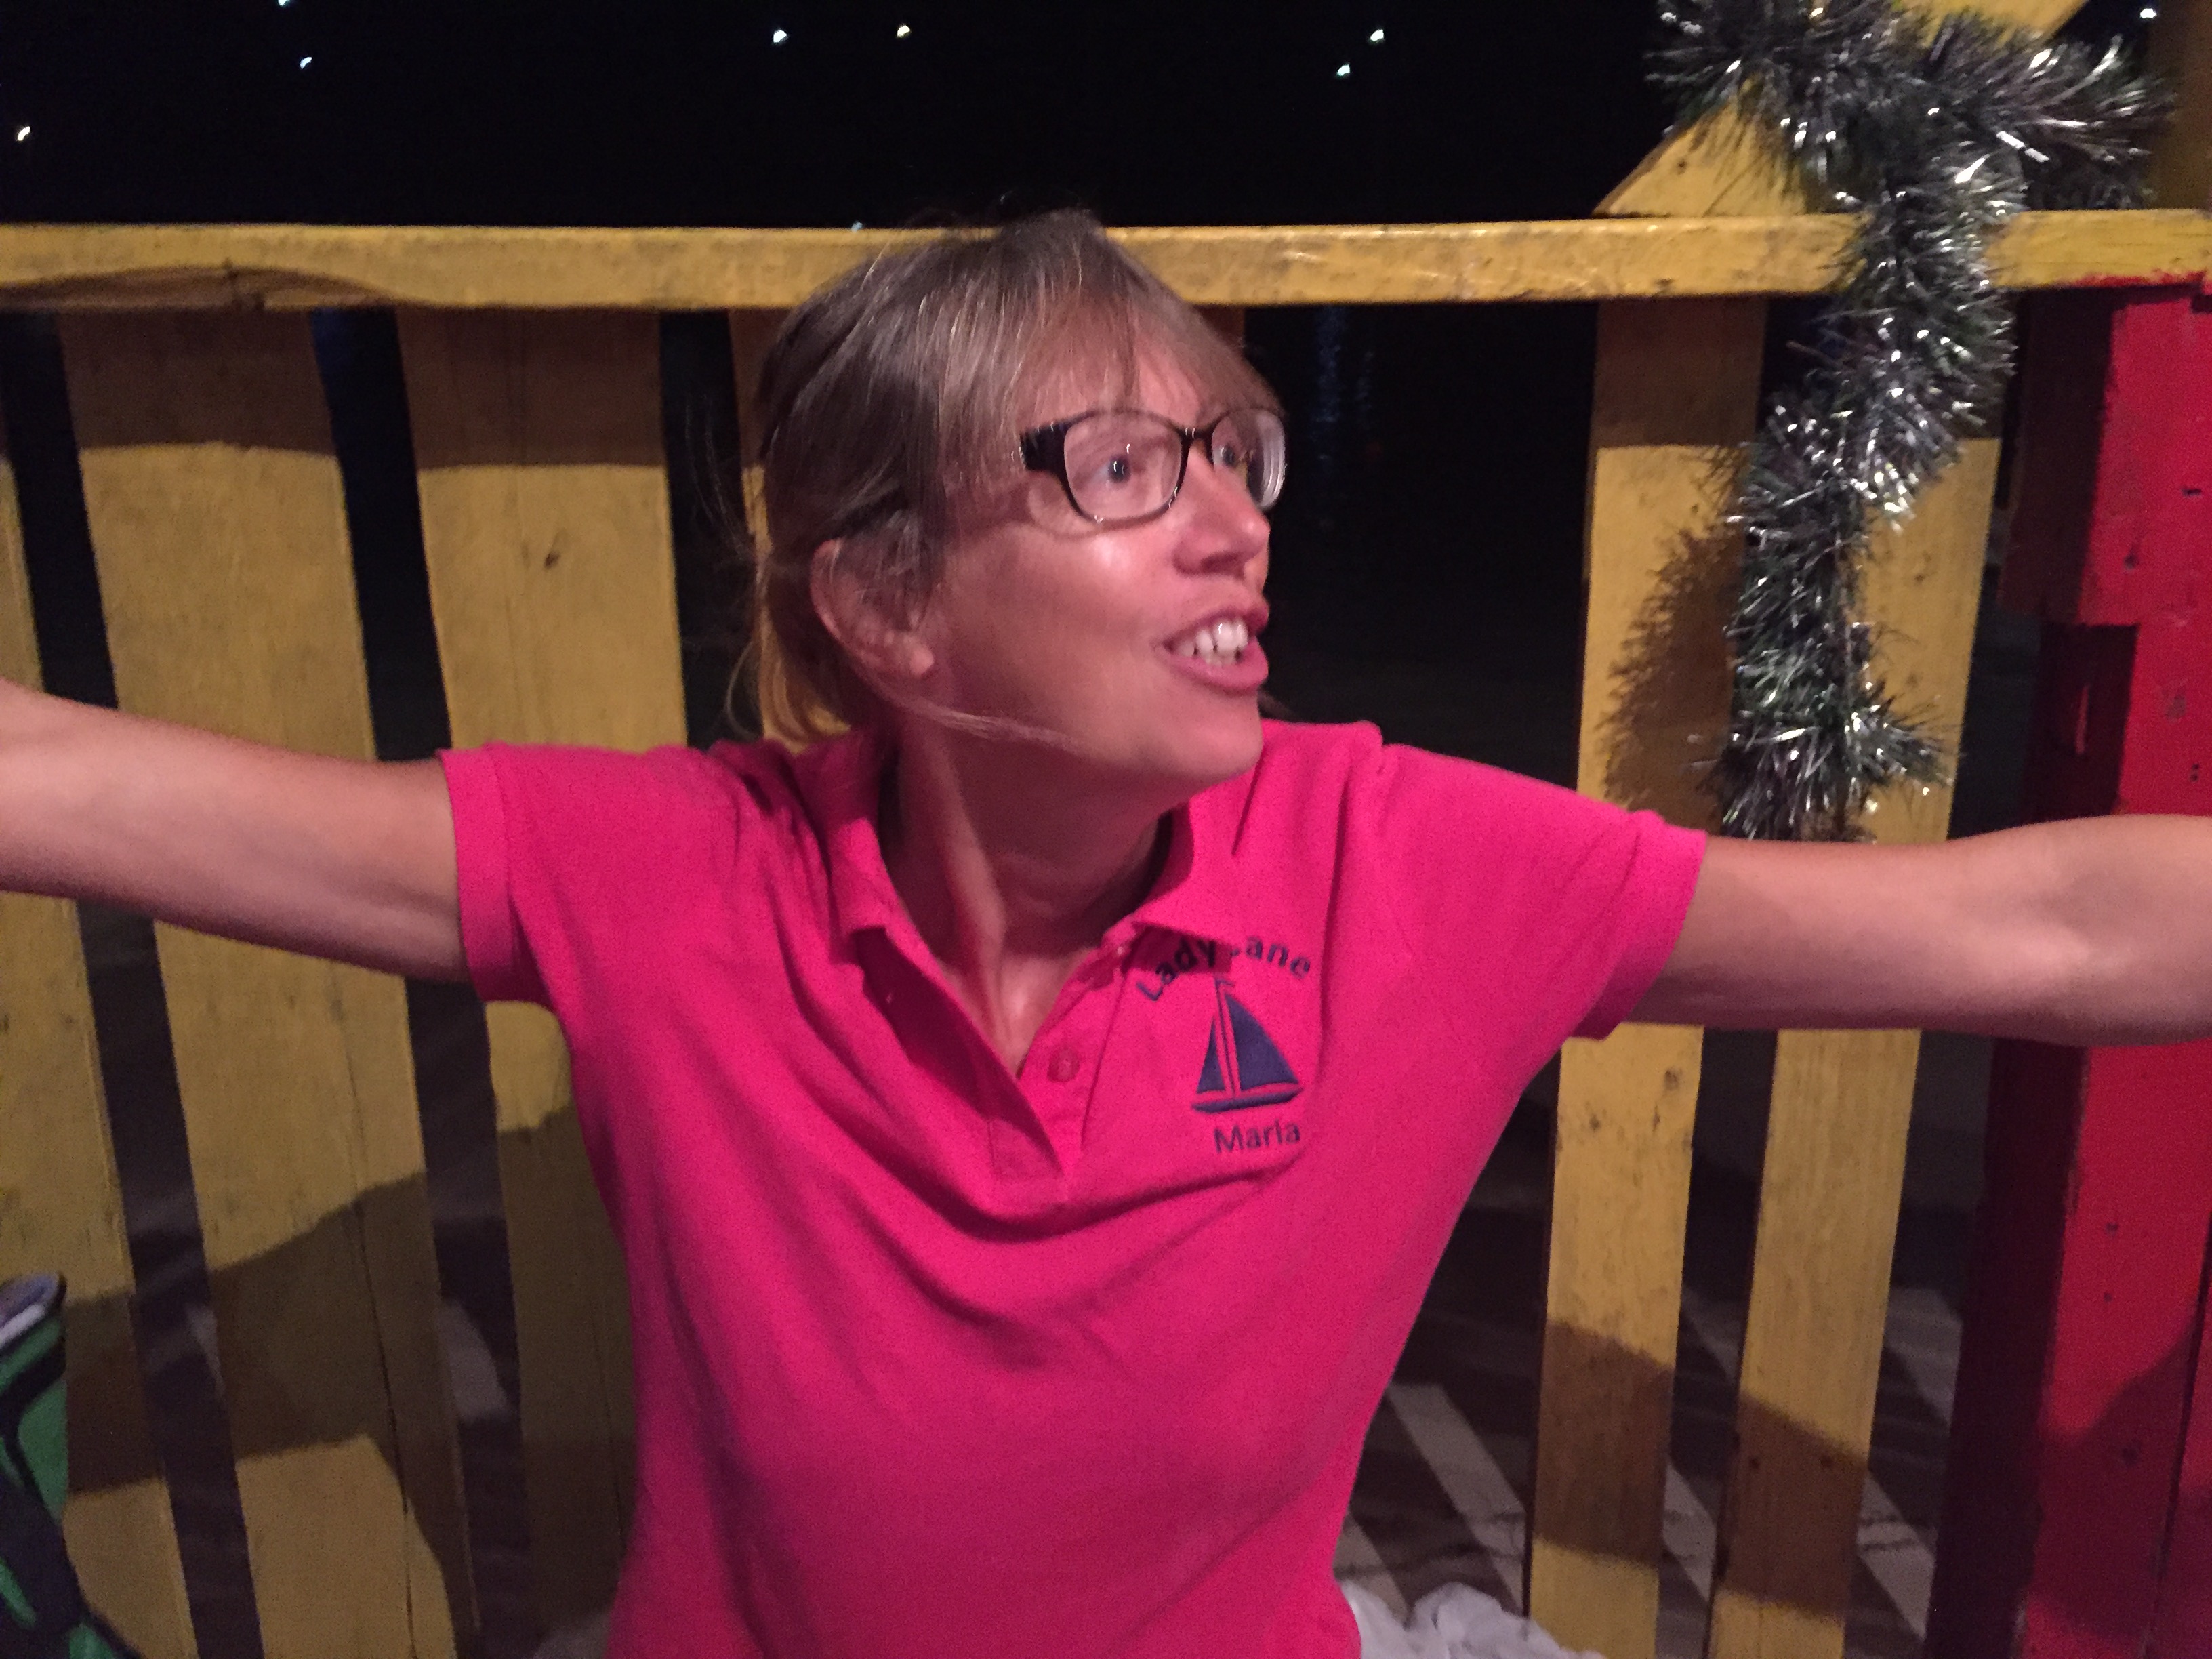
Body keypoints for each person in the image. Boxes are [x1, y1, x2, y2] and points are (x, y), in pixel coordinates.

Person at [3, 211, 2210, 1659]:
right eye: (1127, 468)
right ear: (887, 606)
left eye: (1240, 455)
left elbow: (2043, 926)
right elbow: (70, 784)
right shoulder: (673, 879)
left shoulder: (1399, 867)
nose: (1238, 520)